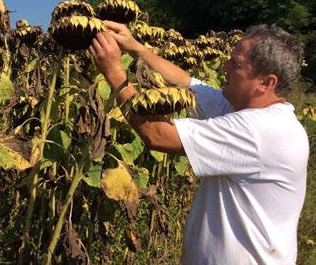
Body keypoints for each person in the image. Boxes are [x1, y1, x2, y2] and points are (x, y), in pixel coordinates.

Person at [89, 21, 309, 265]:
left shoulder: (262, 132)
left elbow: (157, 134)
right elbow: (187, 83)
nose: (224, 68)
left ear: (266, 83)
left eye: (235, 65)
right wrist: (136, 48)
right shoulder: (247, 111)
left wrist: (114, 72)